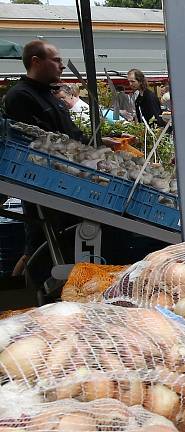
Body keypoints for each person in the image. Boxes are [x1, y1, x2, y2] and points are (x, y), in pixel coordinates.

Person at [3, 40, 86, 277]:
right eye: (57, 60)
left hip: (66, 185)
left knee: (48, 245)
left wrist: (101, 143)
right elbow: (40, 143)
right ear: (36, 62)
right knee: (38, 247)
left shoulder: (48, 94)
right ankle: (19, 291)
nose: (62, 66)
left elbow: (69, 133)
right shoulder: (20, 97)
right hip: (46, 189)